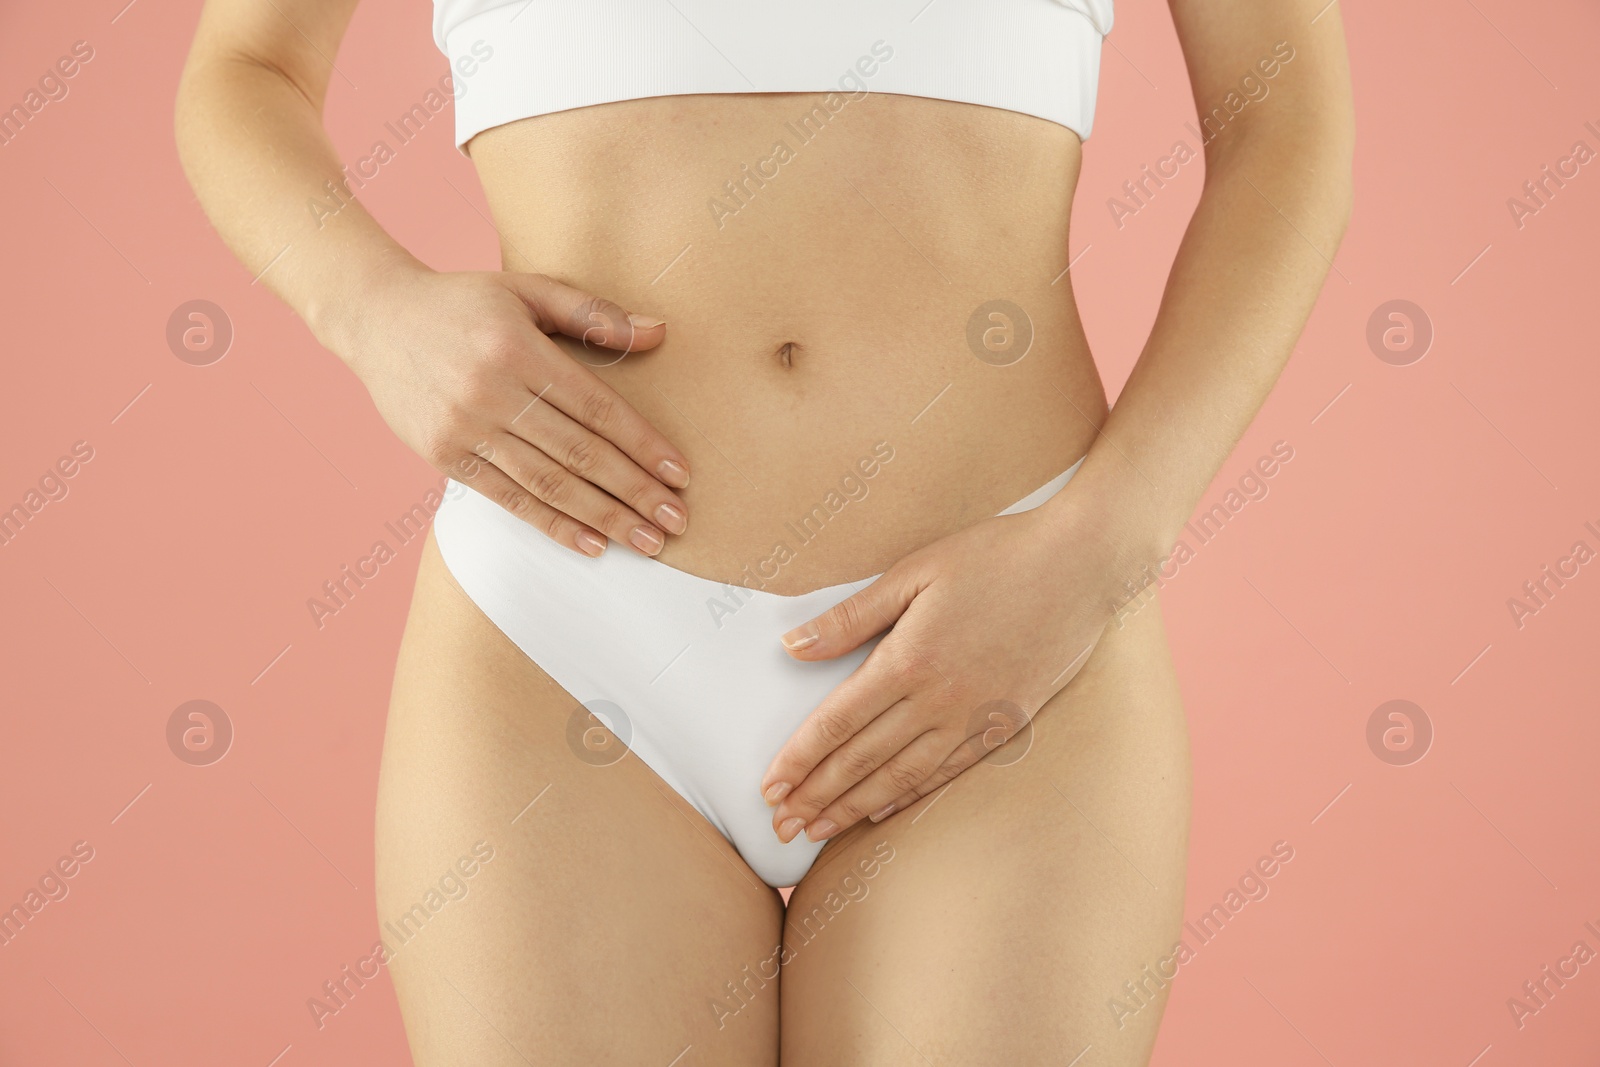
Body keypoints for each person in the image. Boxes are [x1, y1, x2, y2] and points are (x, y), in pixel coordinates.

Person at [175, 1, 1353, 1062]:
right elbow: (245, 64)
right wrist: (371, 305)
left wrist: (1104, 544)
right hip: (563, 634)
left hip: (1005, 626)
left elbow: (1284, 110)